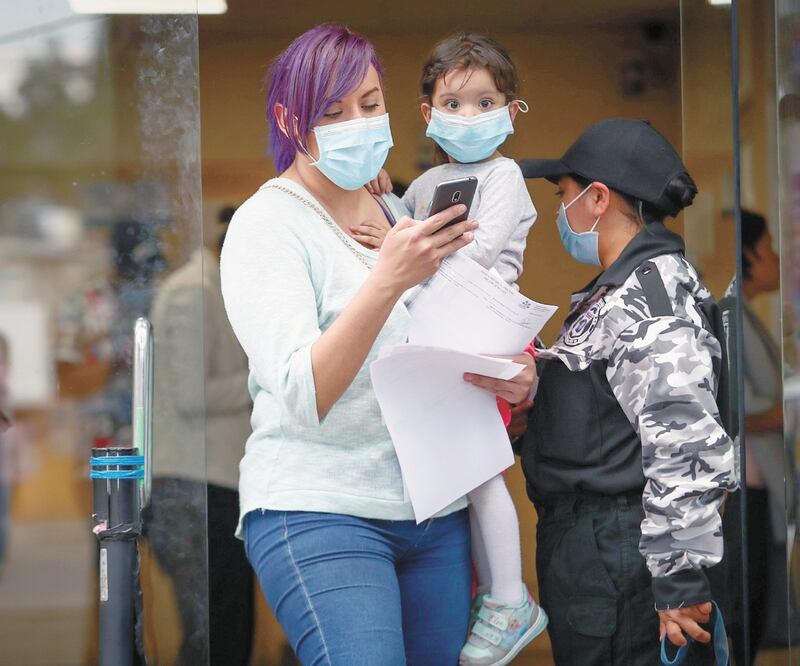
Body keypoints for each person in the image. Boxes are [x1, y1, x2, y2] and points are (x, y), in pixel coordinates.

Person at [219, 24, 536, 666]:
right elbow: (305, 393)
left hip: (434, 509)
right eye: (331, 112)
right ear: (290, 121)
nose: (357, 123)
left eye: (369, 104)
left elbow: (452, 323)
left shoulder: (396, 210)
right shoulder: (268, 224)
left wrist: (517, 374)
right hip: (320, 508)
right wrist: (389, 279)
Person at [519, 118, 738, 664]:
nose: (559, 210)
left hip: (618, 547)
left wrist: (680, 583)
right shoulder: (621, 288)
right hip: (595, 544)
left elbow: (685, 442)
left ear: (597, 199)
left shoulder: (651, 293)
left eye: (563, 195)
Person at [370, 33, 545, 666]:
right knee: (457, 471)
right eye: (454, 102)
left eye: (485, 101)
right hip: (442, 334)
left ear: (509, 109)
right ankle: (490, 594)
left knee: (478, 473)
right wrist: (382, 199)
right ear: (428, 112)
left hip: (484, 331)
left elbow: (472, 253)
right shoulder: (428, 184)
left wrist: (402, 238)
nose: (469, 116)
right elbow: (399, 240)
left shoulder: (504, 177)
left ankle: (509, 599)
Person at [146, 205, 254, 665]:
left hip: (213, 482)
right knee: (214, 634)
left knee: (225, 628)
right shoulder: (194, 291)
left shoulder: (214, 288)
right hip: (194, 486)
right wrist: (268, 375)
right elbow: (191, 395)